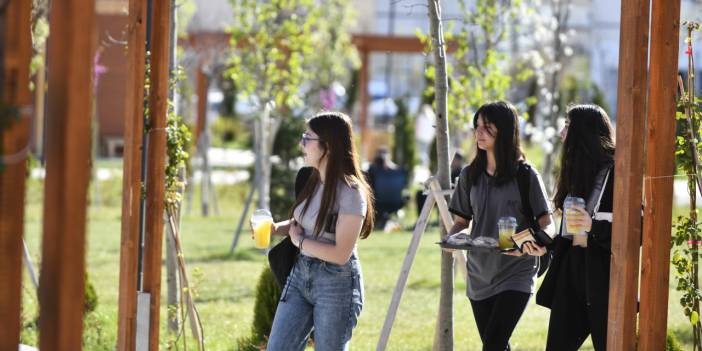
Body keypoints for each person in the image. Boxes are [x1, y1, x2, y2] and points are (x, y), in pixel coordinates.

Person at [447, 101, 554, 351]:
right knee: (495, 345)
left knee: (492, 345)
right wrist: (451, 239)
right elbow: (461, 222)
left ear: (504, 131)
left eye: (487, 127)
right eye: (477, 126)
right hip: (479, 275)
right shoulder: (468, 175)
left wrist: (537, 242)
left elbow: (547, 224)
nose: (478, 133)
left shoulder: (526, 175)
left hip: (516, 272)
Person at [266, 112, 375, 351]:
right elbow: (304, 225)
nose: (301, 144)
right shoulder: (311, 179)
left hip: (337, 283)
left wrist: (300, 242)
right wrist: (276, 229)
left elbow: (340, 254)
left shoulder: (351, 193)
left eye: (307, 138)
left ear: (328, 145)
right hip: (300, 275)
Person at [536, 104, 615, 351]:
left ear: (583, 132)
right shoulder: (578, 171)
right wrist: (541, 244)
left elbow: (636, 228)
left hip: (604, 276)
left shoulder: (617, 173)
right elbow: (568, 232)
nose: (561, 133)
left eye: (568, 126)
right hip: (571, 272)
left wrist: (593, 226)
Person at [366, 147, 408, 229]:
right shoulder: (399, 171)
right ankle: (383, 221)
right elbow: (404, 186)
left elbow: (368, 186)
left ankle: (380, 221)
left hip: (378, 203)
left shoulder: (373, 171)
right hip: (397, 203)